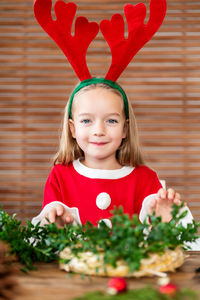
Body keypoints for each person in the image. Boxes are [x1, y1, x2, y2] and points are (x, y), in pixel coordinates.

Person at [32, 81, 185, 229]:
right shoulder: (60, 177)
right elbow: (48, 233)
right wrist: (53, 224)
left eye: (111, 120)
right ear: (72, 128)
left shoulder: (146, 179)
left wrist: (165, 222)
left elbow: (158, 244)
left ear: (125, 129)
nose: (99, 131)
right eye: (86, 120)